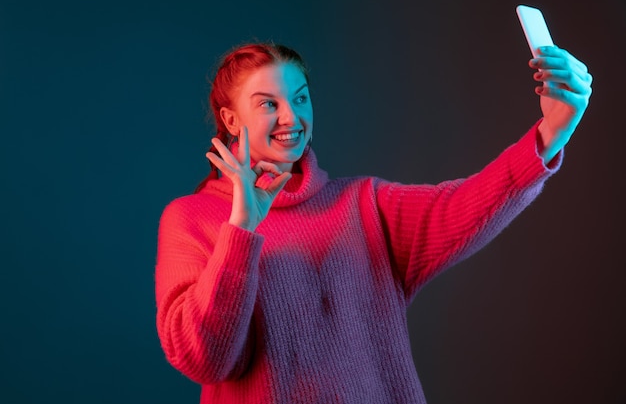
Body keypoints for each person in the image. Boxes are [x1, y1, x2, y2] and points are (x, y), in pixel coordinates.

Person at [155, 42, 592, 403]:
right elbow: (204, 360)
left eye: (300, 97)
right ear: (231, 119)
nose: (291, 118)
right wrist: (241, 230)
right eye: (268, 103)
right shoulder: (193, 219)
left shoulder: (362, 205)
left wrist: (551, 132)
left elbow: (468, 203)